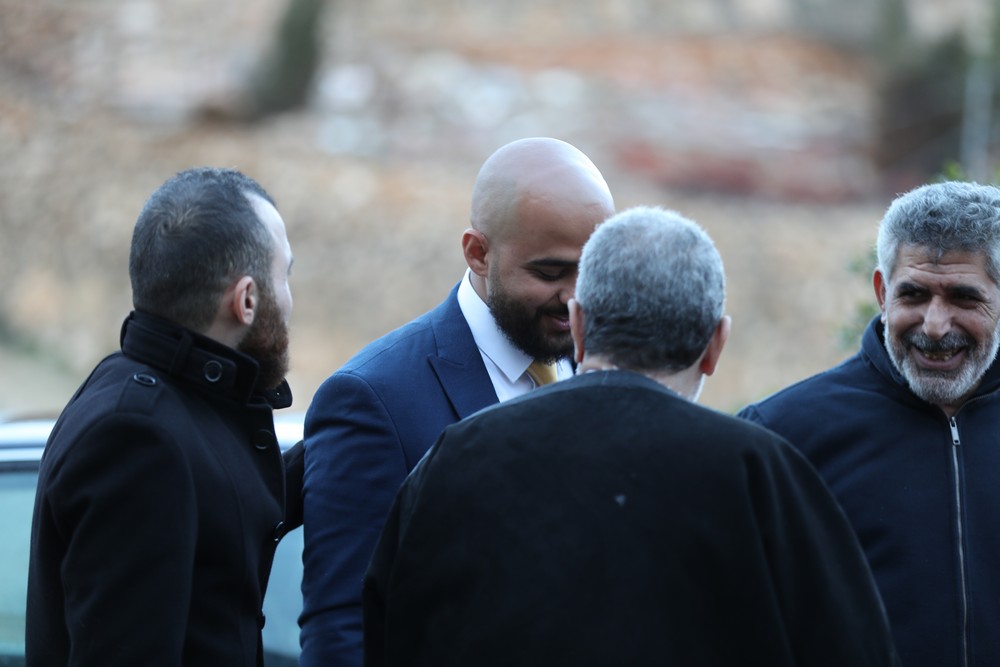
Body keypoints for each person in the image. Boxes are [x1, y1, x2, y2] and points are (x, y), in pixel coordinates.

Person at [362, 205, 899, 666]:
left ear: (577, 325)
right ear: (716, 344)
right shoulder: (761, 473)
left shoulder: (457, 457)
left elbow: (386, 634)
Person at [299, 137, 616, 666]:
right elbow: (342, 628)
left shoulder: (600, 367)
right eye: (549, 273)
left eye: (593, 271)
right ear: (477, 253)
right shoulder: (374, 400)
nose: (575, 298)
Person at [26, 167, 303, 666]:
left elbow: (220, 504)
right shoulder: (136, 437)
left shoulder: (156, 399)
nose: (289, 299)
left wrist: (349, 434)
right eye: (285, 275)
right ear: (246, 300)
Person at [738, 180, 1000, 667]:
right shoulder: (779, 436)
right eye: (913, 294)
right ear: (882, 291)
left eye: (964, 298)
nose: (935, 324)